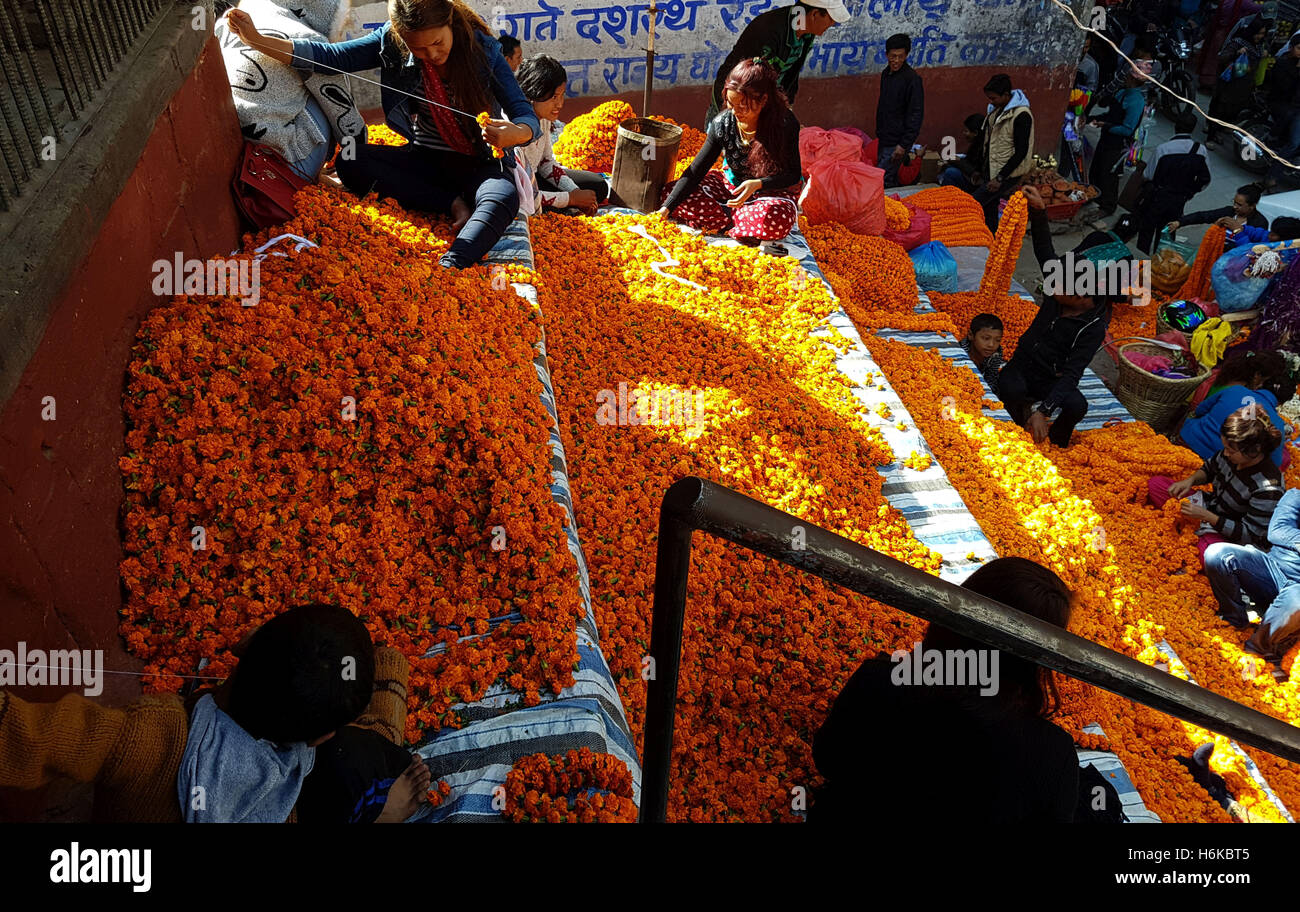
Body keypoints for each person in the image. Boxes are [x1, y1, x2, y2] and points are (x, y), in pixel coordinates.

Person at [0, 604, 425, 823]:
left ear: (244, 642)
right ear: (319, 738)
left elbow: (28, 737)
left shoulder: (151, 736)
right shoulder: (287, 796)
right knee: (360, 759)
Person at [224, 0, 540, 270]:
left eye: (438, 43)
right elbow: (333, 58)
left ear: (451, 24)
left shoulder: (483, 51)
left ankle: (452, 263)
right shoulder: (391, 43)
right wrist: (256, 40)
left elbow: (524, 111)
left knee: (503, 197)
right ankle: (451, 202)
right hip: (427, 160)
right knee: (350, 160)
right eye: (419, 48)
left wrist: (516, 132)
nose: (431, 54)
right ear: (403, 39)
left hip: (480, 165)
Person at [811, 557, 1079, 823]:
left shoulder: (881, 683)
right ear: (1037, 661)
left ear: (954, 612)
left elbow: (828, 759)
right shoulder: (1052, 755)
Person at [999, 186, 1116, 449]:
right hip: (1023, 363)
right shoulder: (1061, 288)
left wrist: (1046, 410)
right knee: (1011, 389)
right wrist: (1039, 211)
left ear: (1082, 297)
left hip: (1050, 376)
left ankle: (1058, 443)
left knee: (1077, 405)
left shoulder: (1093, 327)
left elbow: (1073, 373)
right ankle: (1019, 418)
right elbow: (1044, 251)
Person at [659, 59, 801, 244]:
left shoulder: (784, 123)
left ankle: (728, 218)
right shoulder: (723, 124)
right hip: (731, 190)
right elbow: (696, 171)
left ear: (763, 100)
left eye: (742, 105)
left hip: (770, 195)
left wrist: (758, 184)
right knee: (670, 192)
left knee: (775, 219)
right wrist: (666, 208)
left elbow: (793, 175)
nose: (735, 112)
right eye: (731, 104)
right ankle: (739, 220)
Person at [1148, 407, 1285, 564]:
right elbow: (1209, 469)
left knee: (1211, 556)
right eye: (1225, 447)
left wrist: (1207, 517)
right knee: (1156, 484)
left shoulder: (1269, 489)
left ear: (1255, 450)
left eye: (1230, 450)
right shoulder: (1231, 455)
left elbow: (1249, 535)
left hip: (1228, 535)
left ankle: (1193, 531)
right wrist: (1190, 481)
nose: (1225, 453)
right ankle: (1190, 527)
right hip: (1208, 507)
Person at [706, 0, 849, 125]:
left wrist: (786, 108)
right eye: (830, 19)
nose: (833, 24)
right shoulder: (768, 31)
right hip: (737, 99)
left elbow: (791, 73)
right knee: (721, 147)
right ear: (814, 14)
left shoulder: (806, 32)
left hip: (762, 102)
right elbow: (753, 82)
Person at [511, 55, 607, 216]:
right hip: (520, 189)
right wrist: (570, 199)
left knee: (598, 187)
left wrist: (575, 191)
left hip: (535, 178)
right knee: (541, 209)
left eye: (562, 95)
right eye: (554, 97)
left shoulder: (543, 118)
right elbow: (523, 193)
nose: (560, 104)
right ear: (533, 94)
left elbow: (546, 162)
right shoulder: (515, 128)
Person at [1177, 350, 1293, 468]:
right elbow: (1275, 463)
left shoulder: (1235, 389)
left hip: (1187, 437)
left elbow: (1199, 411)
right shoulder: (1276, 423)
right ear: (1281, 402)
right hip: (1217, 462)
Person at [1133, 113, 1211, 254]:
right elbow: (1205, 180)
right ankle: (1161, 265)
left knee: (1146, 231)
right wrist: (1190, 192)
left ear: (1175, 126)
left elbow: (1147, 175)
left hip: (1157, 198)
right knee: (1167, 233)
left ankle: (1141, 264)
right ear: (1192, 129)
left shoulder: (1163, 149)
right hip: (1179, 200)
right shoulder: (1201, 150)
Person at [973, 74, 1034, 233]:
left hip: (1006, 173)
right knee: (990, 207)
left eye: (994, 98)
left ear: (1006, 95)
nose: (991, 101)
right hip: (993, 168)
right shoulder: (996, 110)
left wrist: (1000, 178)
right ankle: (991, 238)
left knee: (975, 202)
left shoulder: (1021, 115)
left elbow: (1021, 152)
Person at [1088, 61, 1147, 216]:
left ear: (1134, 79)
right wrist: (1093, 118)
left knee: (1108, 176)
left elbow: (1127, 129)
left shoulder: (1136, 101)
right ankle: (1094, 198)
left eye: (1128, 75)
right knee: (1096, 170)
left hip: (1117, 144)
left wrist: (1105, 125)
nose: (1125, 77)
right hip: (1106, 139)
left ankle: (1107, 206)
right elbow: (1111, 114)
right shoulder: (1122, 92)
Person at [1206, 14, 1269, 147]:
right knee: (1219, 110)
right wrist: (1236, 54)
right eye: (1258, 33)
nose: (1260, 36)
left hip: (1243, 88)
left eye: (1263, 34)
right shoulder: (1238, 43)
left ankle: (1218, 131)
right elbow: (1223, 57)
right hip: (1229, 86)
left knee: (1230, 112)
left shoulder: (1258, 48)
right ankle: (1210, 137)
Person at [875, 33, 924, 189]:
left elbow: (916, 115)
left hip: (897, 142)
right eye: (892, 56)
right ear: (886, 54)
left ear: (906, 55)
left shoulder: (912, 80)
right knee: (886, 177)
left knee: (882, 180)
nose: (896, 60)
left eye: (900, 56)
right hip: (884, 137)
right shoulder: (886, 74)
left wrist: (903, 145)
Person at [1264, 34, 1300, 191]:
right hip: (1283, 104)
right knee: (1294, 143)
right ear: (1291, 47)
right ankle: (1272, 176)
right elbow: (1285, 89)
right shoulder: (1282, 64)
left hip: (1296, 106)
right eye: (1299, 48)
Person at [1167, 183, 1269, 234]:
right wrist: (1180, 222)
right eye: (1234, 202)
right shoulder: (1229, 212)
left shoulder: (1260, 223)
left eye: (1239, 205)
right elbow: (1204, 216)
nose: (1235, 207)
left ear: (1252, 206)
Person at [959, 313, 1005, 396]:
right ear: (970, 335)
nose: (991, 344)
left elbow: (991, 378)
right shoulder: (960, 352)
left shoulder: (996, 353)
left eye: (997, 340)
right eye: (986, 338)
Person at [938, 114, 985, 192]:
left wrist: (958, 161)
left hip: (976, 183)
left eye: (966, 131)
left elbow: (974, 171)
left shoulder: (983, 147)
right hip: (970, 177)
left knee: (950, 173)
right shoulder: (975, 145)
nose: (964, 133)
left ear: (975, 133)